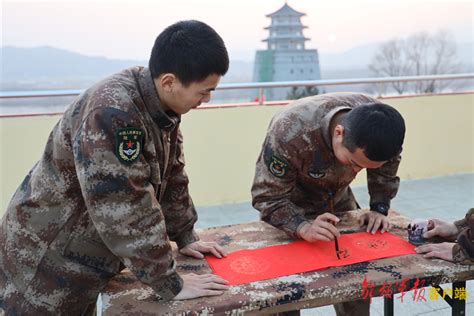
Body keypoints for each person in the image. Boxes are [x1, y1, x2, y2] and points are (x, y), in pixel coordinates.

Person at [0, 20, 230, 315]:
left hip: (85, 251)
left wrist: (184, 235)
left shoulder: (161, 105)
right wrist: (171, 283)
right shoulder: (114, 114)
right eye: (203, 91)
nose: (207, 99)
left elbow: (172, 174)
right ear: (169, 81)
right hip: (46, 256)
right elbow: (124, 206)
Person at [251, 92, 406, 315]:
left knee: (356, 283)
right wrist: (302, 226)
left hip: (339, 201)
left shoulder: (383, 125)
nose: (355, 171)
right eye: (353, 163)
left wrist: (379, 207)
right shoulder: (290, 131)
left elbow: (386, 167)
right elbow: (267, 197)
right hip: (288, 206)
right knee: (286, 293)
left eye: (364, 168)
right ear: (338, 133)